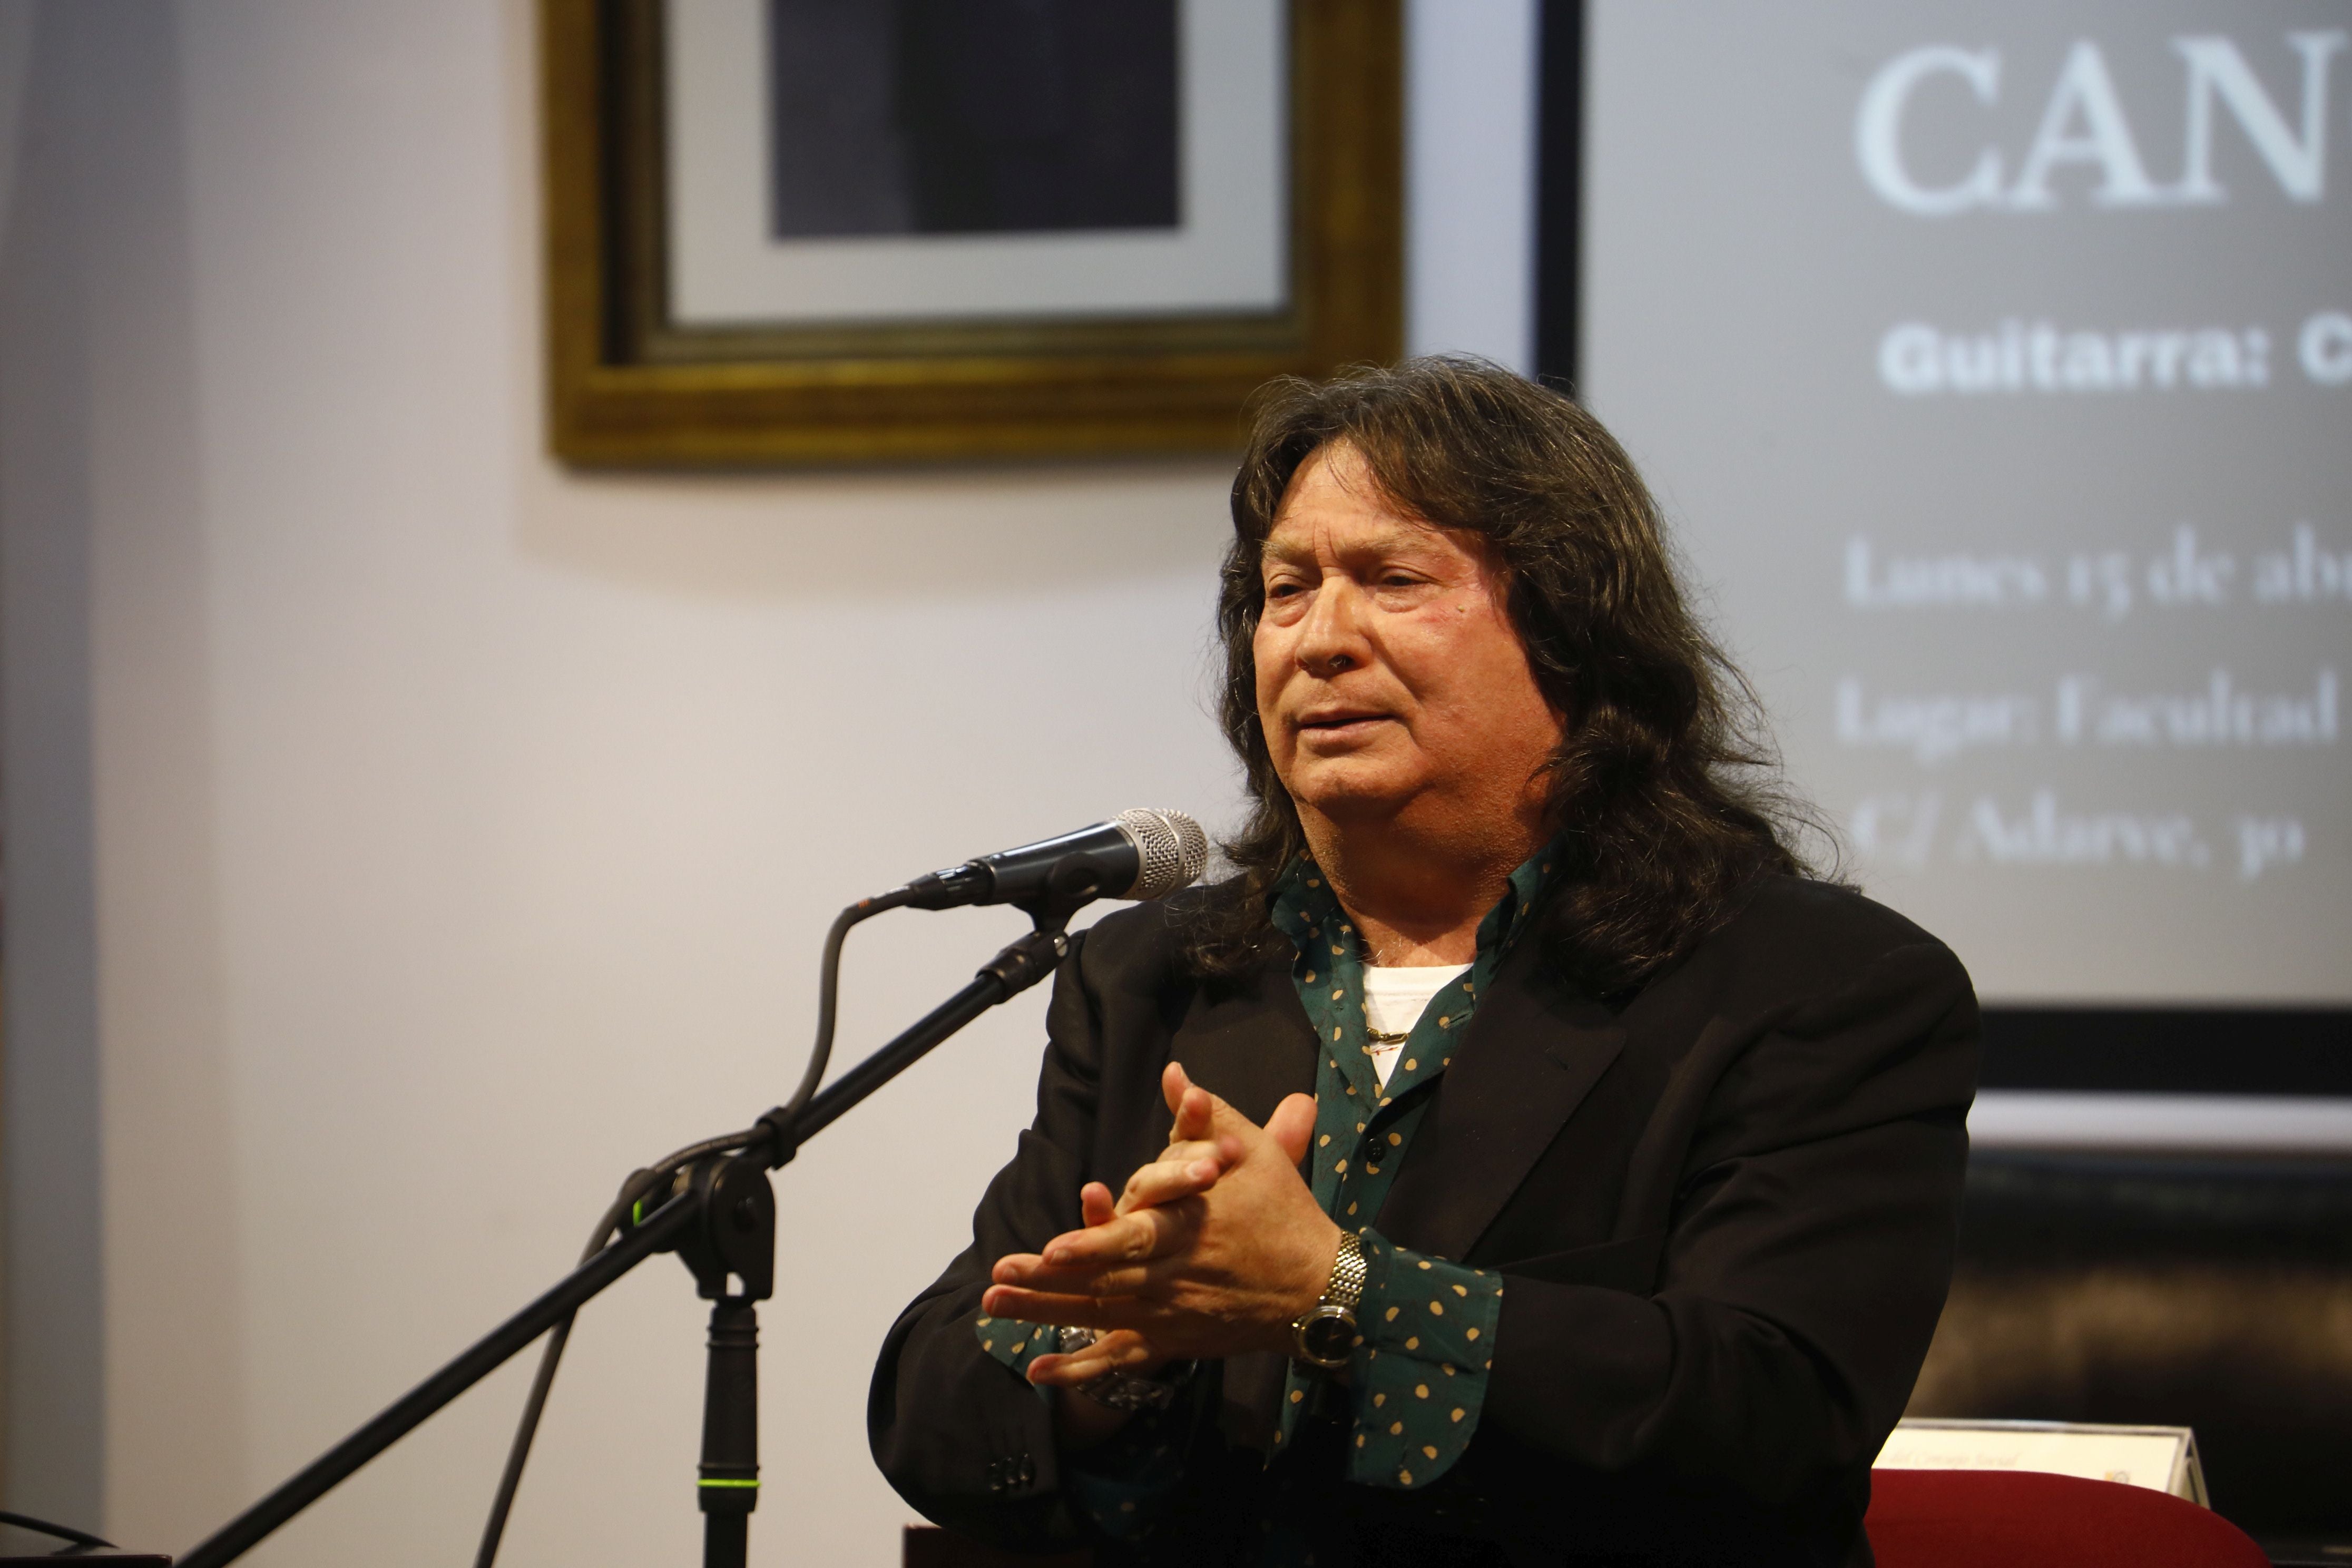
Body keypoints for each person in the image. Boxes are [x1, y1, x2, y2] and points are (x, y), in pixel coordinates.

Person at [868, 358, 1979, 1566]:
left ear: (1572, 635)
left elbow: (1772, 1415)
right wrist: (1114, 1371)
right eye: (1285, 590)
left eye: (1394, 580)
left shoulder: (1817, 986)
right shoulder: (1151, 976)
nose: (1322, 639)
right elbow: (937, 1396)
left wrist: (1338, 1288)